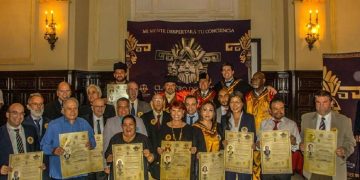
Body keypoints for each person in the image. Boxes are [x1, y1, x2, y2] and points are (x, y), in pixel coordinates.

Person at [300, 90, 356, 180]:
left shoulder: (344, 120)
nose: (321, 106)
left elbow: (351, 142)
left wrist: (344, 150)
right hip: (312, 169)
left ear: (331, 103)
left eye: (325, 102)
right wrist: (301, 145)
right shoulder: (306, 118)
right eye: (318, 102)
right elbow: (302, 138)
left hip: (335, 169)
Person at [40, 98, 96, 179]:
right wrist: (53, 150)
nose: (72, 111)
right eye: (69, 109)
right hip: (60, 173)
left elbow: (93, 141)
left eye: (75, 108)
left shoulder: (84, 123)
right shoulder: (53, 125)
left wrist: (91, 145)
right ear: (63, 110)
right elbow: (43, 146)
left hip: (80, 173)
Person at [258, 98, 302, 178]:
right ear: (270, 111)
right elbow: (258, 144)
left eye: (282, 108)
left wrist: (294, 142)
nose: (279, 111)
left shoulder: (292, 124)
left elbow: (298, 146)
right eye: (275, 109)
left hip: (284, 167)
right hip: (267, 166)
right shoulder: (264, 124)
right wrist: (257, 144)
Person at [105, 115, 154, 180]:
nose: (128, 128)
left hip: (138, 176)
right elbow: (107, 154)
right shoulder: (115, 139)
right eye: (125, 125)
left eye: (131, 124)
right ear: (122, 127)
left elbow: (154, 155)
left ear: (135, 126)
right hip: (119, 176)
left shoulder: (143, 139)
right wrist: (109, 157)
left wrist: (150, 156)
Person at [157, 101, 196, 180]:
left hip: (184, 168)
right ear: (170, 112)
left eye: (179, 111)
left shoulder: (190, 129)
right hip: (168, 168)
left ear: (183, 112)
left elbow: (194, 146)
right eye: (173, 110)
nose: (176, 113)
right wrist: (158, 149)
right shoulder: (163, 128)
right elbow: (157, 145)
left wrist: (194, 149)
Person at [221, 91, 256, 180]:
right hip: (230, 156)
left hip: (244, 157)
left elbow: (253, 137)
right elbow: (222, 137)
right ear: (229, 104)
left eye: (238, 102)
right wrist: (223, 142)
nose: (234, 105)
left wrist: (254, 144)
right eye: (232, 102)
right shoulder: (224, 118)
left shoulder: (250, 118)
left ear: (242, 104)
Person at [0, 103, 40, 180]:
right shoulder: (1, 133)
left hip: (29, 174)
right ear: (7, 114)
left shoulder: (31, 130)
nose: (19, 116)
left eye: (22, 113)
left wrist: (40, 162)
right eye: (15, 113)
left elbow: (37, 150)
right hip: (7, 176)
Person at [140, 94, 171, 179]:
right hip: (151, 158)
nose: (157, 102)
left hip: (167, 158)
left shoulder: (170, 117)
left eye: (160, 100)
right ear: (151, 103)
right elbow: (143, 138)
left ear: (164, 102)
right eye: (155, 100)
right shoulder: (144, 117)